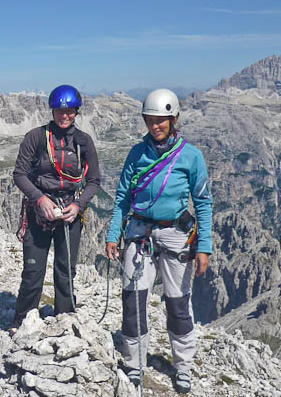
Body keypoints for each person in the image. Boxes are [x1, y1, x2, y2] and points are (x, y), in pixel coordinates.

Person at [105, 88, 212, 394]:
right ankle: (134, 363)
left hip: (176, 235)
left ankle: (183, 366)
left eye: (161, 120)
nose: (155, 126)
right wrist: (113, 234)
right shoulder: (137, 154)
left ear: (174, 119)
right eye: (150, 120)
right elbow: (122, 198)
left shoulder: (191, 156)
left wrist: (204, 246)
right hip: (139, 234)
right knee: (133, 300)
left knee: (177, 303)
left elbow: (203, 203)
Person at [11, 84, 101, 333]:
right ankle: (22, 321)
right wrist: (40, 200)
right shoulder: (36, 137)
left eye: (69, 111)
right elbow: (19, 174)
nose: (65, 115)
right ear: (52, 111)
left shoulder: (84, 142)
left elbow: (94, 181)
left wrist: (78, 205)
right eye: (60, 111)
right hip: (38, 212)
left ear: (76, 112)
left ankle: (65, 318)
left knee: (65, 270)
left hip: (70, 211)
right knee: (33, 270)